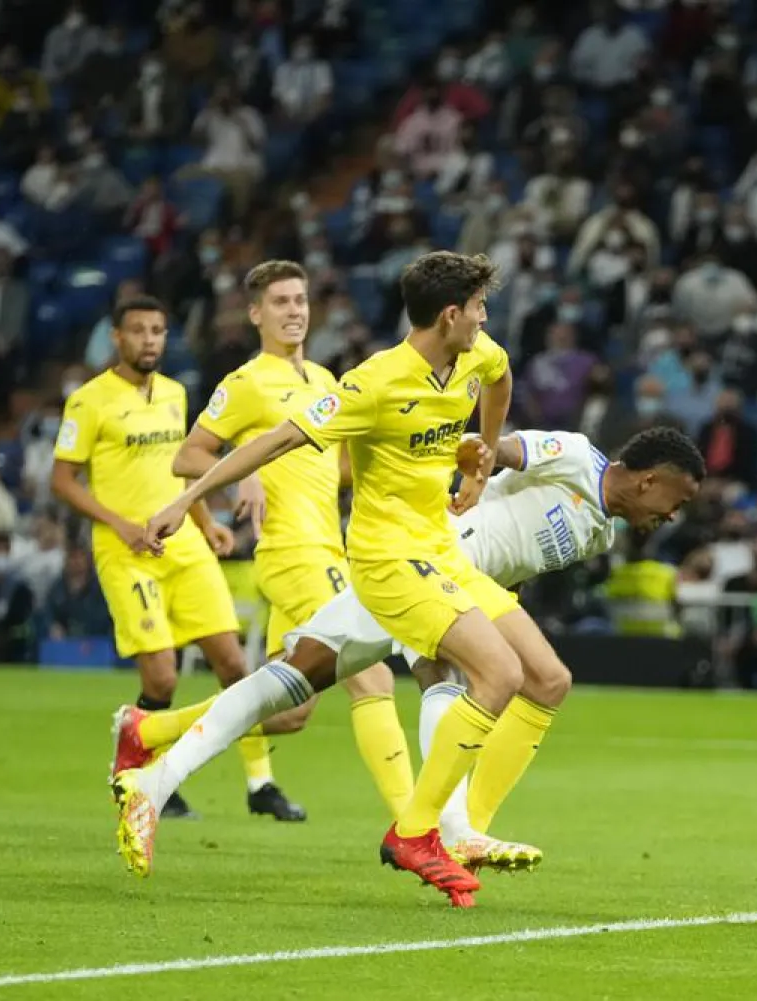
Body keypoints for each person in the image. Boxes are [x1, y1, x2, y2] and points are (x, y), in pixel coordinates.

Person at [116, 426, 703, 874]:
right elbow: (492, 446)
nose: (673, 516)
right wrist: (475, 467)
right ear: (651, 478)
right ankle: (457, 828)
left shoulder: (601, 529)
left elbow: (514, 563)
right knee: (538, 678)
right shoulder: (575, 456)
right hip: (423, 562)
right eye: (676, 501)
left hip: (452, 584)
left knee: (295, 690)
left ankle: (151, 742)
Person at [117, 252, 516, 907]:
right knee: (494, 672)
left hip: (424, 548)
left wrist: (482, 455)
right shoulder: (367, 382)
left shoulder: (475, 354)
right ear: (451, 314)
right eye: (478, 307)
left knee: (292, 690)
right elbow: (269, 443)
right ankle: (428, 828)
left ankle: (152, 770)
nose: (485, 319)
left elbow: (497, 381)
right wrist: (186, 501)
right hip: (381, 561)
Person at [109, 261, 414, 824]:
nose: (294, 310)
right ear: (256, 314)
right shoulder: (247, 383)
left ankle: (148, 730)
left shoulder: (325, 381)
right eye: (280, 302)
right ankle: (417, 830)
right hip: (295, 555)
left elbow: (339, 471)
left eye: (300, 300)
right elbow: (187, 456)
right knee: (371, 672)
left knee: (286, 710)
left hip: (328, 549)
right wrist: (242, 470)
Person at [50, 295, 302, 823]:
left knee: (234, 665)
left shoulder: (174, 393)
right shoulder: (89, 401)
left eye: (158, 331)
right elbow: (62, 480)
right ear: (117, 338)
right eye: (138, 331)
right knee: (162, 678)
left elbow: (185, 467)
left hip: (184, 543)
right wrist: (118, 522)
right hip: (127, 553)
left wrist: (207, 523)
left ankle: (262, 784)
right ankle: (148, 775)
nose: (149, 340)